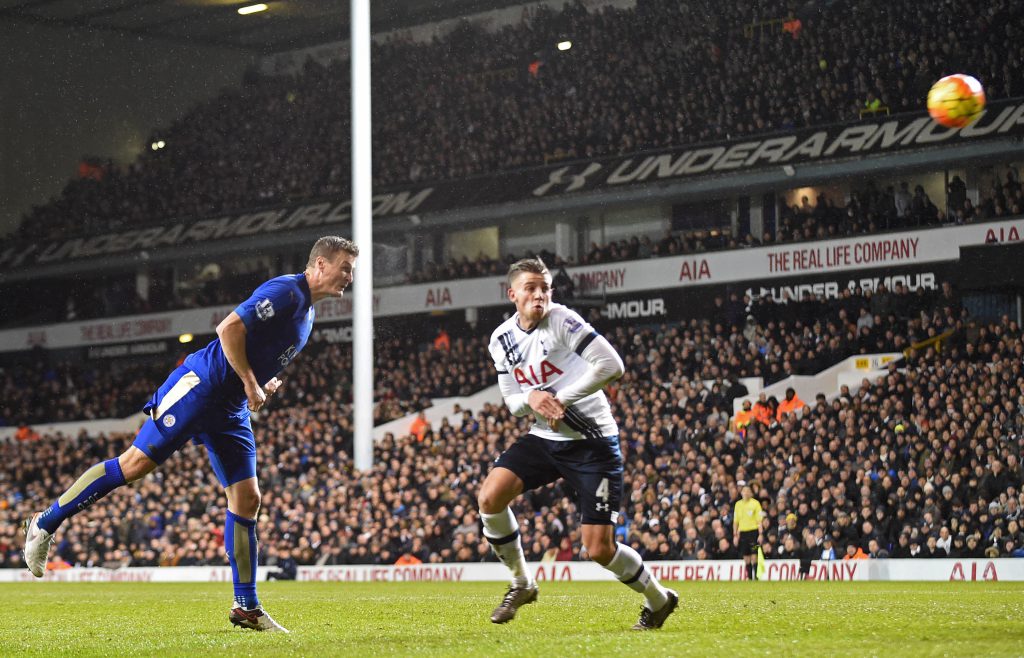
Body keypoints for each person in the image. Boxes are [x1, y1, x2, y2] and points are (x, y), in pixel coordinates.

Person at [22, 236, 359, 633]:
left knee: (247, 498)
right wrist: (251, 383)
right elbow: (229, 327)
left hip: (229, 408)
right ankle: (45, 522)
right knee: (135, 465)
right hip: (200, 386)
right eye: (345, 268)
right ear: (320, 264)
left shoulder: (308, 313)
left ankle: (246, 606)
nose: (349, 277)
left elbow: (255, 349)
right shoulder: (286, 291)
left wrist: (262, 383)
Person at [478, 258, 677, 630]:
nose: (539, 295)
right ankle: (522, 582)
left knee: (598, 549)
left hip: (592, 443)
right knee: (490, 497)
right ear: (513, 294)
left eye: (545, 288)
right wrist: (534, 399)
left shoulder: (562, 321)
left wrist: (560, 398)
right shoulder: (500, 339)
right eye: (531, 289)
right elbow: (513, 403)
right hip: (545, 438)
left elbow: (612, 365)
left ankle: (659, 599)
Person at [732, 485, 764, 580]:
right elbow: (735, 521)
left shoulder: (755, 504)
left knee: (754, 555)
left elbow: (759, 520)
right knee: (746, 557)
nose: (746, 493)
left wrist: (760, 534)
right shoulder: (738, 504)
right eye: (744, 491)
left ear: (751, 493)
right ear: (741, 493)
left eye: (748, 491)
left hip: (753, 533)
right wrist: (735, 535)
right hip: (743, 533)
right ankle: (750, 578)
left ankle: (757, 578)